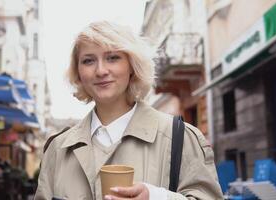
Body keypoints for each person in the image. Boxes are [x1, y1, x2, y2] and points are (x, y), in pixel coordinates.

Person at [35, 21, 223, 200]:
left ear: (132, 66)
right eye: (88, 61)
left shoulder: (179, 138)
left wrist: (156, 197)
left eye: (113, 58)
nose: (101, 71)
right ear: (78, 72)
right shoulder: (57, 150)